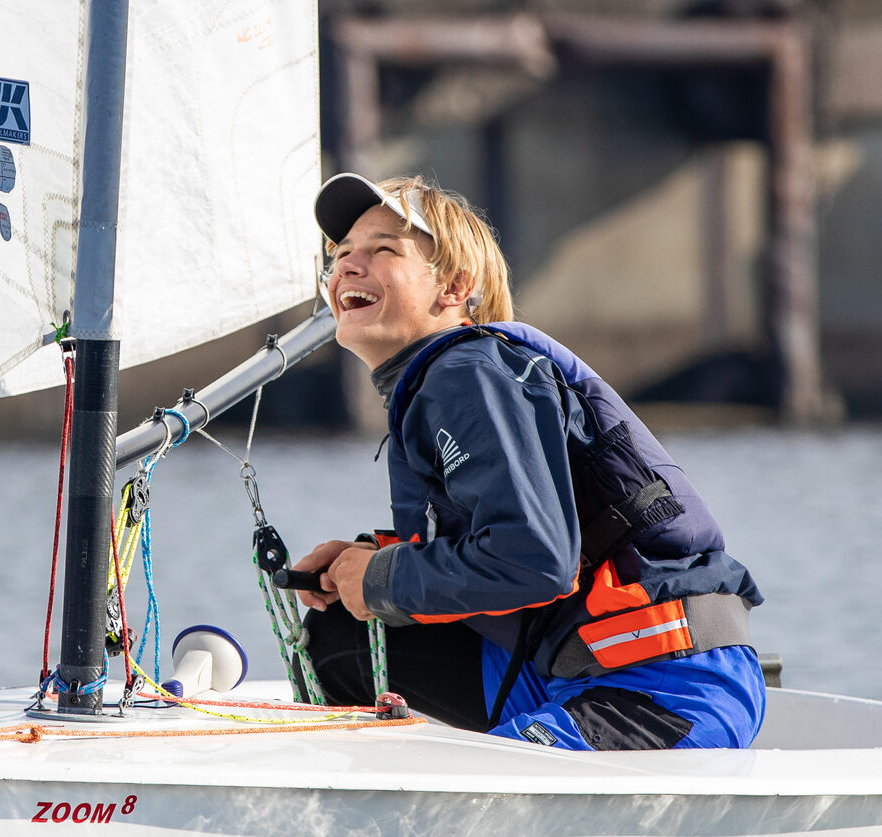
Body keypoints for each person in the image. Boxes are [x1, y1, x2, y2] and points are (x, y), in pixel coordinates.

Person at [292, 172, 765, 751]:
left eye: (381, 250)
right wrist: (373, 563)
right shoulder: (447, 380)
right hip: (565, 668)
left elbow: (538, 559)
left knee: (476, 784)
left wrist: (386, 578)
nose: (348, 266)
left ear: (454, 287)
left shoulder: (467, 375)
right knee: (339, 636)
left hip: (665, 688)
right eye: (340, 256)